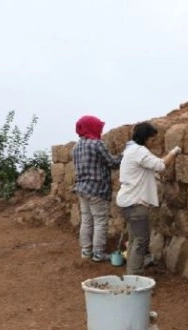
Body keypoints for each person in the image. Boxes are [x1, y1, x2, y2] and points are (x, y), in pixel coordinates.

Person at [116, 122, 180, 275]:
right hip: (136, 204)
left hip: (127, 202)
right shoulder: (139, 151)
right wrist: (175, 151)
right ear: (144, 138)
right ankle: (135, 279)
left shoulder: (130, 151)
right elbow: (160, 165)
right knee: (140, 242)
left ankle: (131, 274)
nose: (154, 143)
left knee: (133, 241)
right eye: (152, 140)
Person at [72, 115, 122, 262]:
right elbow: (112, 163)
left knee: (86, 220)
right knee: (100, 220)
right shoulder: (96, 144)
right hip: (97, 189)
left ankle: (86, 252)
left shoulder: (76, 147)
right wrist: (125, 155)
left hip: (82, 188)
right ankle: (98, 253)